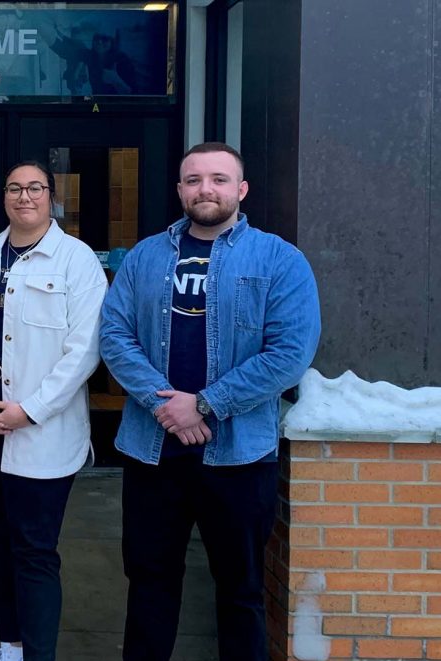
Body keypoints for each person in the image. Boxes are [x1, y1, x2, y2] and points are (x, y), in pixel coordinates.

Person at [99, 142, 321, 661]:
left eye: (219, 179)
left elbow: (290, 353)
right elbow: (114, 336)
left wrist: (203, 405)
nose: (206, 189)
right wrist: (166, 405)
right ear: (179, 190)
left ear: (241, 190)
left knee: (240, 593)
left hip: (239, 456)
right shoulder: (147, 255)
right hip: (153, 451)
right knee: (150, 584)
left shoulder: (280, 259)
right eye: (194, 179)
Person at [0, 161, 107, 661]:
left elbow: (86, 349)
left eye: (35, 187)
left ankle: (39, 654)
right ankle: (11, 645)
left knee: (34, 553)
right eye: (14, 187)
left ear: (51, 196)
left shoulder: (75, 260)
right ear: (3, 197)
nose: (24, 197)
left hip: (41, 435)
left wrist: (30, 410)